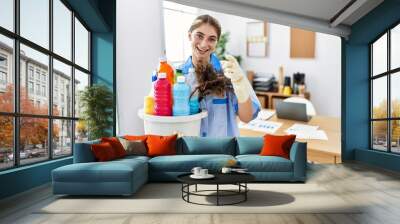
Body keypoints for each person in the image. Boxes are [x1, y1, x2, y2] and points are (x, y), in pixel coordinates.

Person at [181, 14, 261, 137]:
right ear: (189, 36)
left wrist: (239, 85)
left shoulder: (230, 73)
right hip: (191, 153)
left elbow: (247, 117)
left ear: (217, 43)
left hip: (224, 153)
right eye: (199, 36)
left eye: (211, 39)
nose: (203, 44)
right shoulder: (176, 76)